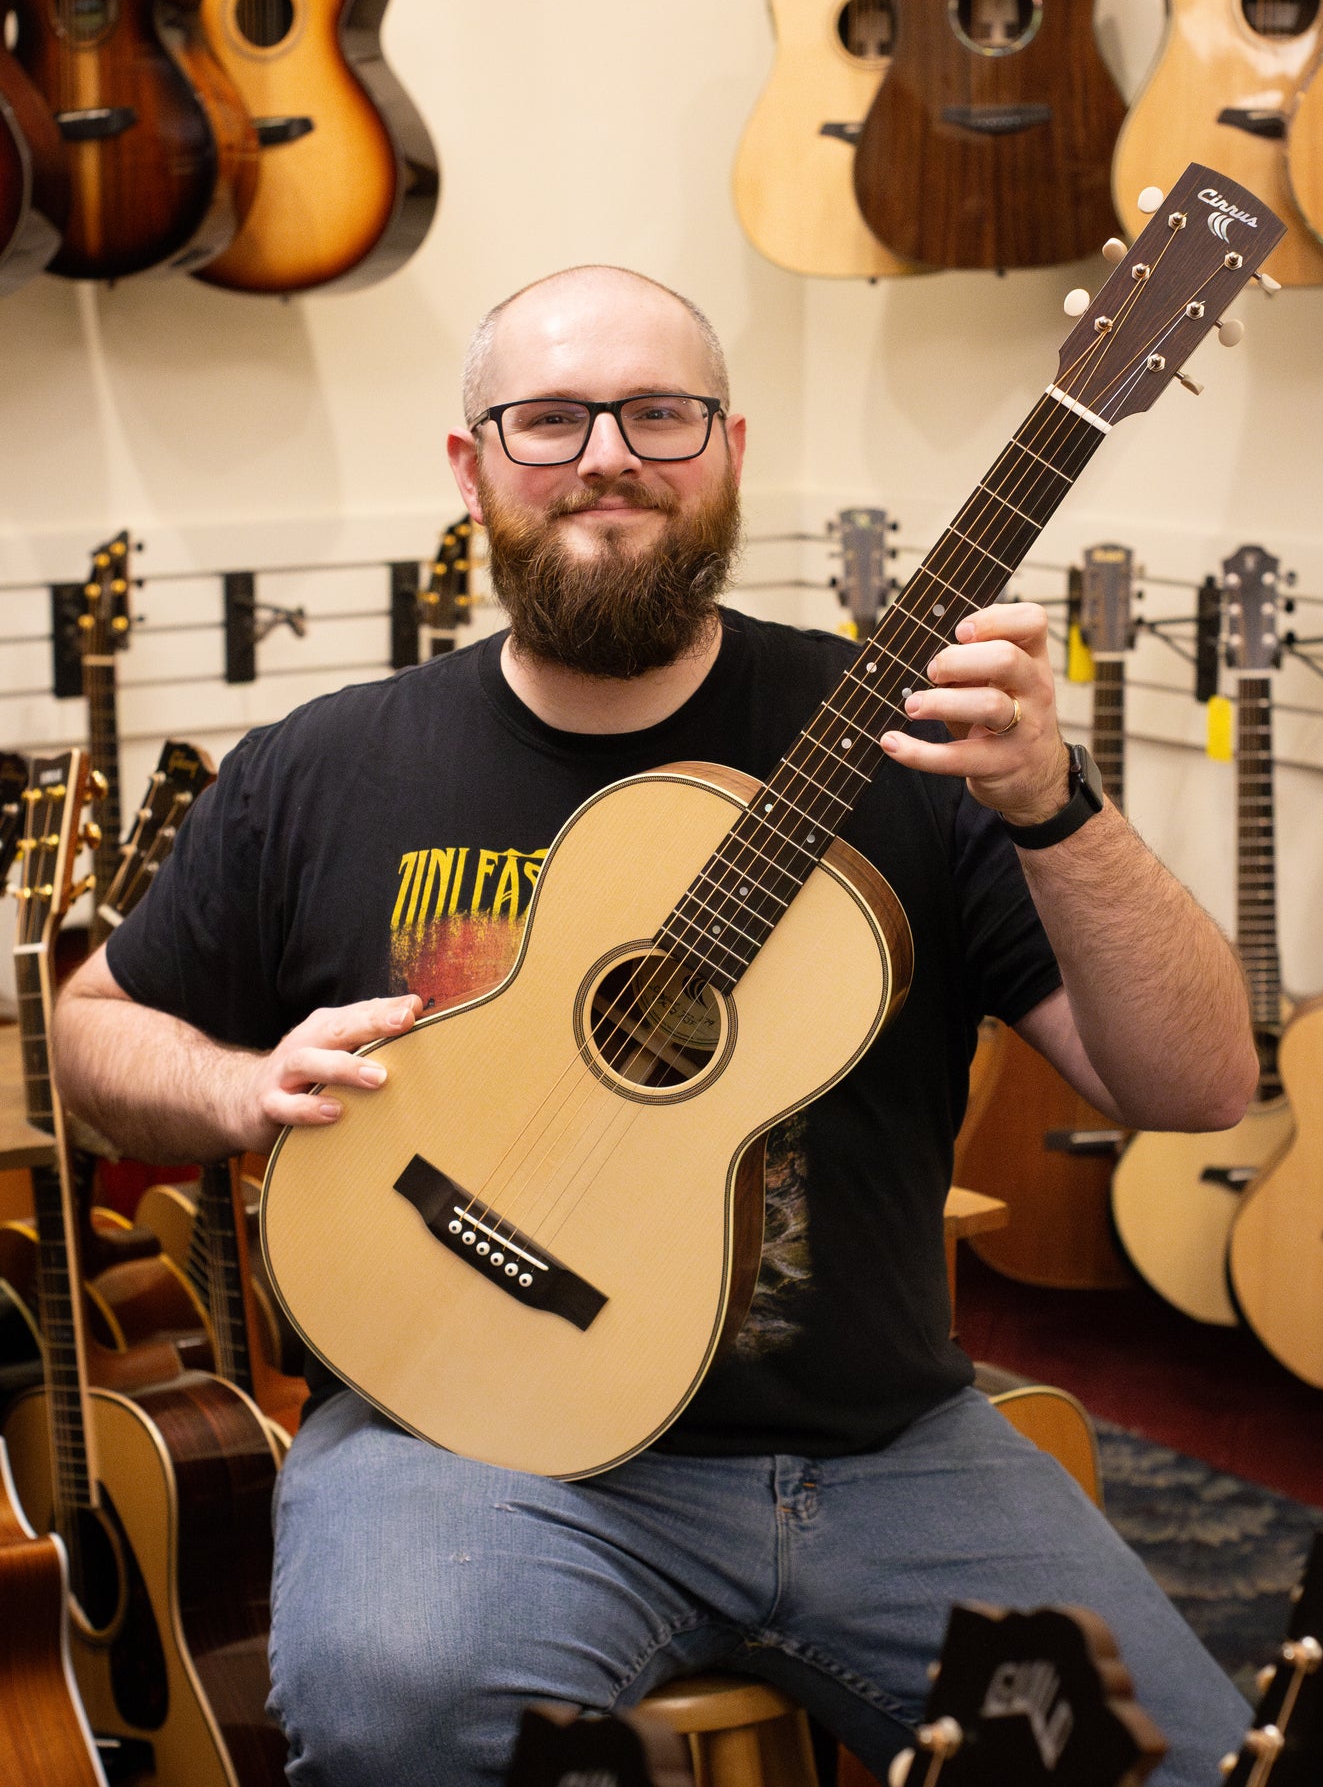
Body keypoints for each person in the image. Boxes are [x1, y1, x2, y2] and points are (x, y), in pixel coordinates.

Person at [55, 265, 1258, 1787]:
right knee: (395, 1709)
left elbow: (1201, 1084)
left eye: (657, 412)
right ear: (471, 465)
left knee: (1206, 1764)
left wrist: (1054, 804)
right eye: (548, 418)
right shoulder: (324, 767)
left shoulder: (915, 747)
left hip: (878, 1447)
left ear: (731, 448)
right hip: (465, 1434)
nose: (605, 455)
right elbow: (95, 1032)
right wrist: (235, 1085)